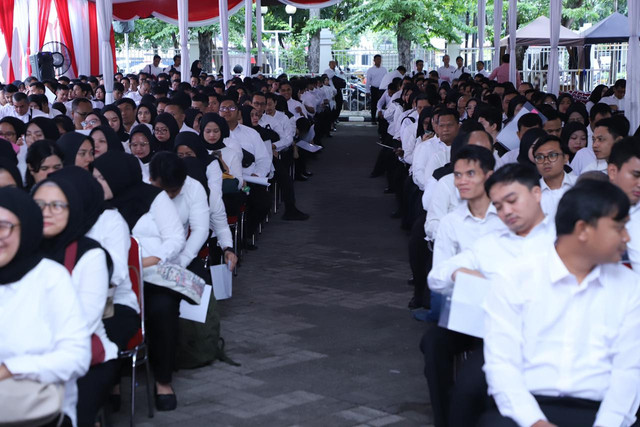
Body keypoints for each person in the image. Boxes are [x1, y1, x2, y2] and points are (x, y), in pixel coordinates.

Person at [479, 179, 640, 427]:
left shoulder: (630, 286)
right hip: (527, 408)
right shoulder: (515, 278)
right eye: (619, 228)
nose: (626, 237)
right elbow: (502, 364)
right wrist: (535, 422)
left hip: (601, 411)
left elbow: (629, 372)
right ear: (583, 229)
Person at [424, 163, 555, 427]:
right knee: (467, 385)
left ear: (536, 194)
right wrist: (459, 273)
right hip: (493, 331)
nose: (506, 211)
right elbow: (436, 276)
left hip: (547, 334)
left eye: (512, 201)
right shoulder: (491, 243)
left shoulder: (561, 239)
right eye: (498, 205)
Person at [93, 151, 185, 411]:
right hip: (114, 280)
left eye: (101, 177)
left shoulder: (154, 198)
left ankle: (163, 382)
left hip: (152, 274)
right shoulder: (97, 204)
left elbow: (176, 237)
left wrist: (151, 258)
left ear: (116, 176)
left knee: (162, 308)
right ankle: (112, 382)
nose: (96, 182)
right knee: (107, 313)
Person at [32, 171, 118, 427]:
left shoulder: (90, 254)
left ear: (72, 209)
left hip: (84, 355)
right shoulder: (22, 248)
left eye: (57, 205)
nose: (47, 212)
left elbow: (84, 321)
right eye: (39, 205)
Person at [0, 187, 90, 427]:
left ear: (26, 227)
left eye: (3, 226)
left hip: (36, 411)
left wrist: (10, 369)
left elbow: (77, 357)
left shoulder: (50, 278)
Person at [532, 135, 575, 218]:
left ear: (565, 158)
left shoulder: (580, 185)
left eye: (552, 155)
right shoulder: (531, 195)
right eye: (540, 157)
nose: (546, 161)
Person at [366, 54, 388, 124]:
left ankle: (381, 118)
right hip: (374, 88)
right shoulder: (370, 70)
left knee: (382, 104)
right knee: (374, 104)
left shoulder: (384, 69)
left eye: (380, 59)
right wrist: (367, 91)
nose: (379, 60)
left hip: (382, 89)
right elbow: (368, 81)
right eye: (377, 59)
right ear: (374, 60)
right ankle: (373, 119)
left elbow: (386, 79)